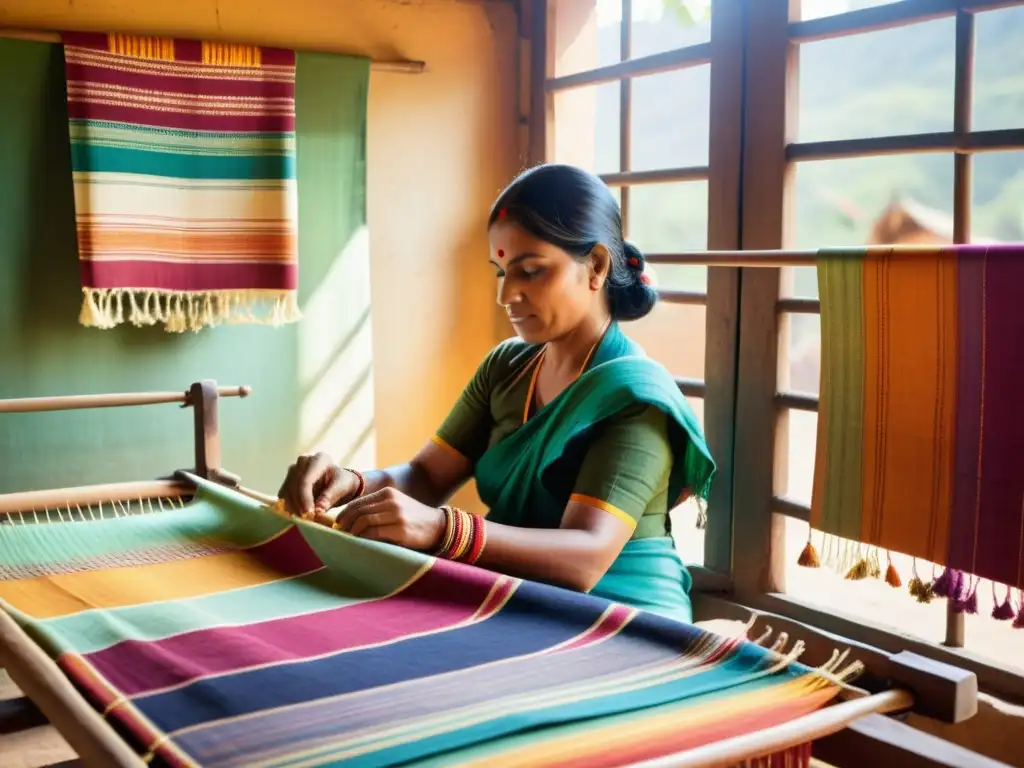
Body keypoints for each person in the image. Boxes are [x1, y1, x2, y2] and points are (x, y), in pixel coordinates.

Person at [278, 163, 715, 623]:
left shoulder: (634, 398)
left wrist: (441, 529)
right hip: (521, 603)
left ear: (597, 267)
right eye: (501, 272)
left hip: (624, 623)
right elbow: (426, 477)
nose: (507, 295)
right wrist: (351, 483)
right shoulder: (508, 367)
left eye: (530, 271)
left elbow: (584, 558)